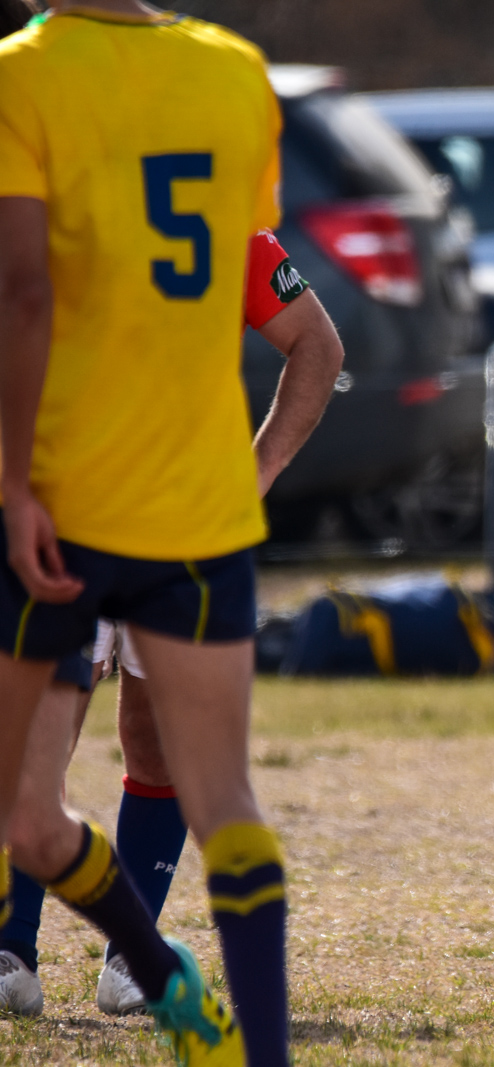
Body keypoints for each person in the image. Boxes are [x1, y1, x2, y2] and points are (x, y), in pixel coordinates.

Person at [0, 3, 336, 1064]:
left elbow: (23, 292)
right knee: (225, 794)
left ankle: (134, 962)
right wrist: (253, 473)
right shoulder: (235, 74)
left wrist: (14, 484)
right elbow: (229, 243)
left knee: (26, 806)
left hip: (67, 501)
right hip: (198, 511)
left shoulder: (25, 75)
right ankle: (236, 1030)